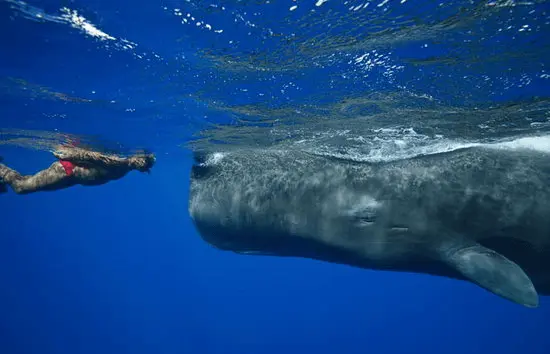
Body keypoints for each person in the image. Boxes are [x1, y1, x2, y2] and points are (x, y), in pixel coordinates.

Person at [0, 145, 155, 195]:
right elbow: (94, 157)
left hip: (71, 178)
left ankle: (3, 176)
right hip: (67, 171)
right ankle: (3, 171)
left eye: (145, 163)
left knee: (26, 184)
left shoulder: (124, 166)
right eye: (143, 160)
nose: (142, 164)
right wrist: (72, 154)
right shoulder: (120, 161)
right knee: (21, 187)